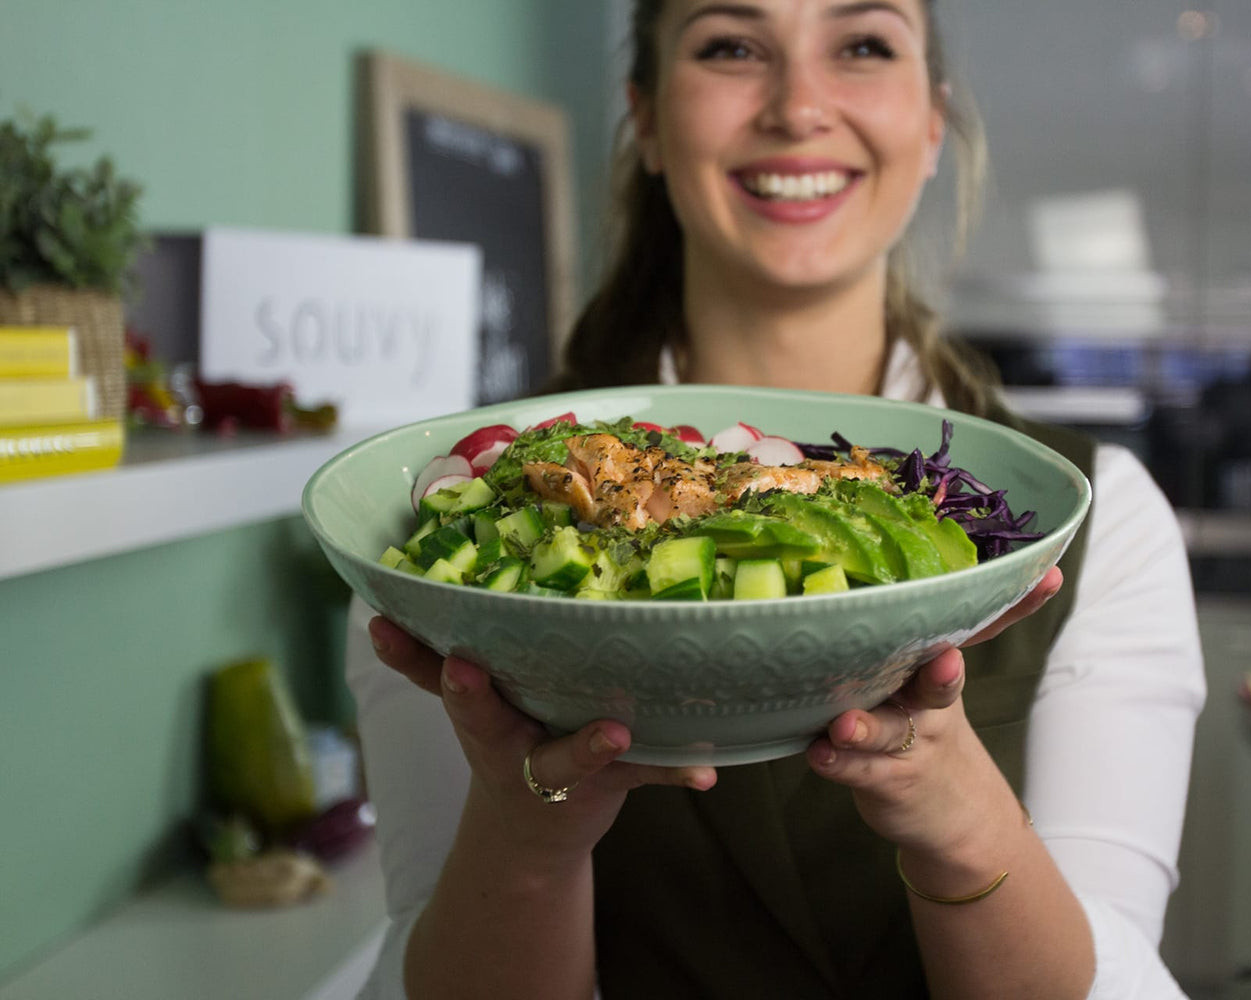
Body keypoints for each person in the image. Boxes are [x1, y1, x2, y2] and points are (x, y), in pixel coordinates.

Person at [346, 1, 1205, 997]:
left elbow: (1119, 974)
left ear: (931, 124)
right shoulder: (460, 504)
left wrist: (959, 812)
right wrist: (525, 834)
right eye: (732, 47)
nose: (800, 107)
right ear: (650, 122)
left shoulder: (1107, 514)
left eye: (863, 45)